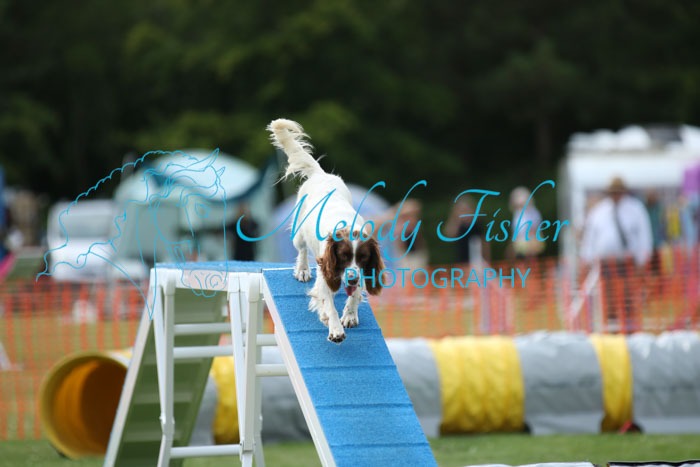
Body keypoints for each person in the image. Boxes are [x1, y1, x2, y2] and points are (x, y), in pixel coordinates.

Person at [579, 176, 653, 330]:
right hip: (605, 263)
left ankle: (630, 329)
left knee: (628, 298)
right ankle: (611, 330)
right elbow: (590, 238)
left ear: (624, 192)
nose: (615, 195)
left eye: (618, 191)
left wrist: (643, 259)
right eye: (613, 192)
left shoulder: (636, 209)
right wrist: (586, 259)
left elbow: (644, 236)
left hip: (627, 262)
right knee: (608, 298)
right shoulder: (599, 211)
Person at [443, 196, 490, 264]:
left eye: (466, 210)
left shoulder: (477, 224)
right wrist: (456, 220)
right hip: (461, 259)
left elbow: (484, 242)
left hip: (477, 259)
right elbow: (449, 234)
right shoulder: (458, 225)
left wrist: (487, 258)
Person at [508, 186, 544, 259]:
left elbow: (534, 229)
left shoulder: (532, 212)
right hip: (520, 244)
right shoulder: (517, 214)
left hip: (529, 244)